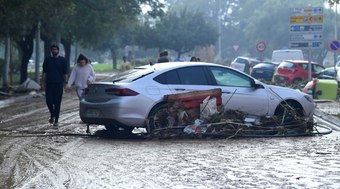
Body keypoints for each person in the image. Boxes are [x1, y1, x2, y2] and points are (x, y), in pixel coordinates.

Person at [41, 44, 68, 126]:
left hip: (59, 84)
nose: (54, 51)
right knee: (49, 101)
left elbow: (65, 73)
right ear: (51, 51)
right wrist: (42, 82)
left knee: (57, 102)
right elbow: (44, 72)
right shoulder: (47, 60)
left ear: (58, 51)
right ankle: (52, 114)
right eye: (53, 49)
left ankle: (56, 119)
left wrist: (65, 83)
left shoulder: (62, 60)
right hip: (49, 84)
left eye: (56, 49)